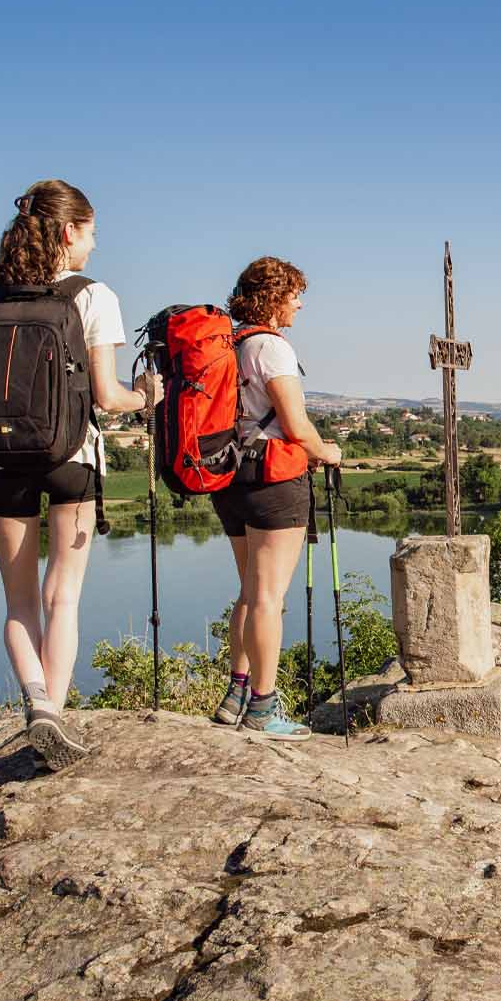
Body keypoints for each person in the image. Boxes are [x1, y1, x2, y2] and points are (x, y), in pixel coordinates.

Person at [0, 179, 160, 771]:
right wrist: (147, 396)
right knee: (63, 595)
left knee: (19, 600)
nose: (95, 246)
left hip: (2, 463)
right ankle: (53, 717)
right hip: (70, 458)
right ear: (70, 231)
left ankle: (35, 703)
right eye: (93, 233)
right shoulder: (94, 295)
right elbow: (106, 396)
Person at [209, 257, 341, 741]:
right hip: (274, 481)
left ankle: (235, 693)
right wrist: (327, 451)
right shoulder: (272, 349)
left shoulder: (229, 344)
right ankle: (263, 707)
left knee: (248, 591)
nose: (300, 304)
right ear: (273, 298)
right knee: (268, 598)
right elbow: (295, 424)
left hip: (229, 480)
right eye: (294, 295)